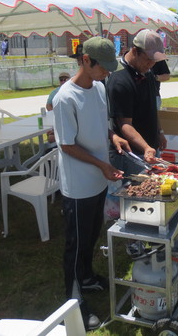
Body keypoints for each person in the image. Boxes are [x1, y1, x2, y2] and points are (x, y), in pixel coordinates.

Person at [52, 37, 129, 331]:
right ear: (86, 60)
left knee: (92, 234)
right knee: (76, 243)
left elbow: (101, 124)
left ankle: (86, 277)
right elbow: (67, 145)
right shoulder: (65, 98)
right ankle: (73, 300)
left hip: (99, 180)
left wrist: (114, 136)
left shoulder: (98, 87)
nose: (107, 72)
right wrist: (101, 164)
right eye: (103, 67)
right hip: (78, 185)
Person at [106, 29, 168, 175]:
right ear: (135, 51)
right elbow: (125, 124)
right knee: (135, 189)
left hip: (150, 150)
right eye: (148, 59)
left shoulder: (147, 72)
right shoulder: (119, 80)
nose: (151, 64)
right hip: (131, 155)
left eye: (155, 60)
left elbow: (152, 108)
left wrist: (159, 132)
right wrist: (146, 147)